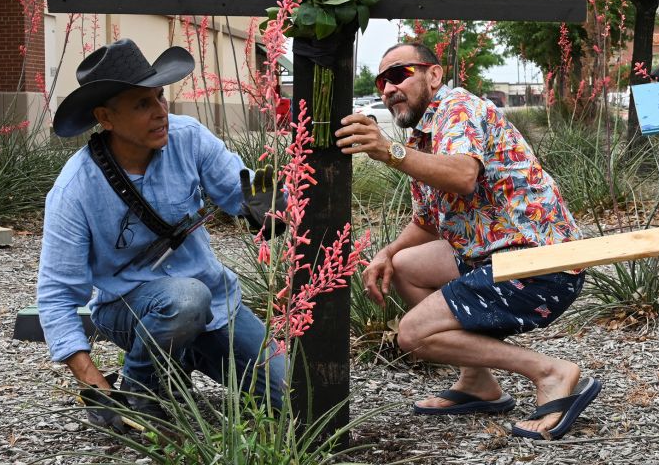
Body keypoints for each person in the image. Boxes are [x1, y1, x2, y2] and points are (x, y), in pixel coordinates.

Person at [334, 41, 600, 440]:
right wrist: (387, 253)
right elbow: (426, 223)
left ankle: (551, 372)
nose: (388, 88)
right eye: (381, 80)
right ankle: (477, 382)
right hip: (493, 254)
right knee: (404, 266)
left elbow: (462, 175)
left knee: (413, 334)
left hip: (540, 265)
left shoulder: (457, 108)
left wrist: (389, 151)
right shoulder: (422, 140)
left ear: (434, 75)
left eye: (399, 75)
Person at [37, 39, 286, 432]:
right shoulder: (74, 190)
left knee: (292, 397)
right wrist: (96, 387)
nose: (161, 113)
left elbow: (246, 192)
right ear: (106, 117)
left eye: (160, 97)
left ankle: (177, 360)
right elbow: (55, 297)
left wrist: (279, 194)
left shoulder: (189, 138)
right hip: (131, 310)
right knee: (186, 299)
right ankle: (142, 394)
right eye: (142, 104)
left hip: (218, 306)